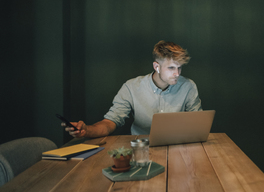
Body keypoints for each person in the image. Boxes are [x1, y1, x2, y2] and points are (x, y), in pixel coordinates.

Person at [62, 40, 202, 139]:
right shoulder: (131, 87)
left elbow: (199, 124)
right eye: (171, 68)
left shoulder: (188, 86)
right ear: (156, 66)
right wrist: (87, 131)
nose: (177, 73)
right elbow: (110, 122)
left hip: (179, 148)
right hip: (141, 149)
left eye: (179, 68)